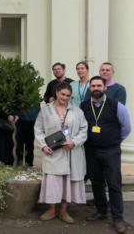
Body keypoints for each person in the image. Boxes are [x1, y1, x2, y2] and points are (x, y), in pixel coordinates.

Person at [81, 76, 131, 234]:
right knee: (96, 182)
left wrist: (115, 141)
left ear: (105, 88)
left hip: (111, 150)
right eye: (93, 85)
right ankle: (101, 211)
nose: (96, 88)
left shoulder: (116, 106)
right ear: (90, 88)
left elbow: (127, 127)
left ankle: (118, 218)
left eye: (99, 85)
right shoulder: (84, 105)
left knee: (114, 184)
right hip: (91, 150)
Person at [34, 82, 88, 224]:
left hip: (71, 152)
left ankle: (63, 210)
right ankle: (51, 209)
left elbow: (84, 130)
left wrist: (74, 142)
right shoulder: (45, 111)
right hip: (53, 152)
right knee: (53, 181)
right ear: (57, 92)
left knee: (67, 182)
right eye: (63, 94)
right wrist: (43, 145)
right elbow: (38, 130)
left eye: (68, 95)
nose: (65, 97)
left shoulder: (77, 111)